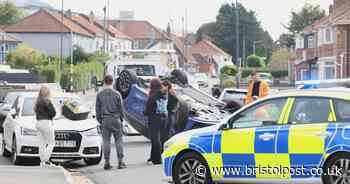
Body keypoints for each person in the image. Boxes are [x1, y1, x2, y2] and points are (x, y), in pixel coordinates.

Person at [96, 75, 126, 170]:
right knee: (118, 140)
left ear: (104, 82)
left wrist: (100, 120)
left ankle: (107, 162)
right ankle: (120, 162)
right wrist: (121, 119)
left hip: (105, 120)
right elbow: (121, 108)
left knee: (106, 141)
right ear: (112, 82)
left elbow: (97, 109)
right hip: (116, 119)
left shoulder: (100, 94)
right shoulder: (117, 94)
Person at [144, 78, 168, 165]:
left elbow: (148, 108)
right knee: (159, 138)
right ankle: (154, 157)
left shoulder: (153, 95)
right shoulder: (164, 93)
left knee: (155, 139)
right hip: (164, 117)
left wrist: (145, 112)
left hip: (154, 119)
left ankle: (157, 159)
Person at [35, 86, 56, 167]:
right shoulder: (47, 101)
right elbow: (53, 113)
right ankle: (46, 160)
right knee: (51, 143)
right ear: (48, 93)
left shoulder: (38, 102)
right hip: (46, 123)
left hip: (38, 123)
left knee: (42, 143)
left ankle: (42, 162)